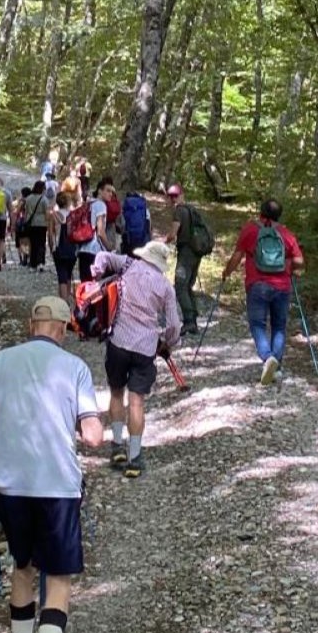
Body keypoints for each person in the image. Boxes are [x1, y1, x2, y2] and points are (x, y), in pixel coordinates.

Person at [0, 296, 104, 633]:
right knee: (61, 579)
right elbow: (92, 436)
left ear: (32, 323)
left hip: (8, 484)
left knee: (24, 567)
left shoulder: (1, 362)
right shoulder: (76, 370)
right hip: (55, 487)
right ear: (65, 330)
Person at [90, 240, 182, 478]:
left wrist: (96, 272)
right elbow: (173, 326)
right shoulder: (165, 286)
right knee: (137, 401)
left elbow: (102, 256)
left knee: (117, 393)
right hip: (145, 347)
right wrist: (167, 343)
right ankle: (135, 457)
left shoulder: (128, 265)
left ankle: (117, 445)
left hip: (119, 341)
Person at [220, 198, 305, 386]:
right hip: (282, 286)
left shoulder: (250, 230)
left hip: (257, 285)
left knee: (257, 324)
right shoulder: (286, 234)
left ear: (261, 212)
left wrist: (226, 273)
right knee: (279, 326)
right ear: (279, 215)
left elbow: (237, 256)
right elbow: (299, 261)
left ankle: (267, 359)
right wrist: (291, 267)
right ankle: (277, 365)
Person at [162, 184, 207, 333]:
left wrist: (159, 243)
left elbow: (173, 234)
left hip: (186, 253)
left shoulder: (179, 211)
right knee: (188, 285)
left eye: (175, 196)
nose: (173, 199)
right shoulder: (191, 209)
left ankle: (189, 321)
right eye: (171, 196)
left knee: (180, 286)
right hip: (196, 252)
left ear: (182, 195)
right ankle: (192, 320)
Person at [73, 178, 112, 284]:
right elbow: (100, 231)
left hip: (82, 248)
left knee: (85, 283)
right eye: (108, 191)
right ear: (100, 190)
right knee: (95, 286)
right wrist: (109, 248)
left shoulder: (88, 203)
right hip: (95, 250)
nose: (110, 194)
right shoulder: (101, 205)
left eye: (112, 192)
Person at [49, 190, 78, 303]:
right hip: (72, 248)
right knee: (68, 274)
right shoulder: (73, 215)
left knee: (61, 275)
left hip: (59, 248)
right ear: (68, 202)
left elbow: (50, 234)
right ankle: (68, 297)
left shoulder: (54, 216)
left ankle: (63, 301)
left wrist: (51, 248)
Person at [23, 179, 49, 270]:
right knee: (41, 243)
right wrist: (48, 223)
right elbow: (47, 213)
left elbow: (26, 212)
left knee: (33, 243)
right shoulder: (44, 199)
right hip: (42, 223)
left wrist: (25, 221)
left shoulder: (29, 198)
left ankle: (33, 263)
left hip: (31, 223)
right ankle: (41, 262)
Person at [119, 189, 151, 257]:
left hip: (128, 242)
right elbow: (149, 226)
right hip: (143, 241)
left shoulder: (125, 209)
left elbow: (122, 226)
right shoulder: (144, 209)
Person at [15, 185, 33, 267]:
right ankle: (28, 256)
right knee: (29, 241)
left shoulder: (22, 201)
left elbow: (17, 212)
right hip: (30, 222)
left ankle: (23, 258)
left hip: (21, 222)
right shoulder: (32, 201)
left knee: (21, 241)